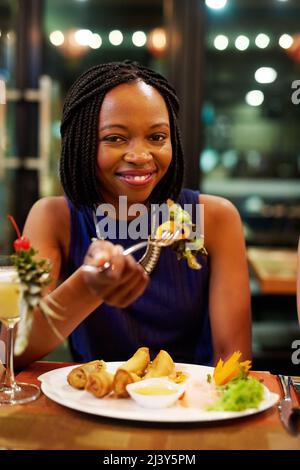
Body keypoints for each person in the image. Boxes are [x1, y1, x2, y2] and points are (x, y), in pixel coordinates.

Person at [15, 60, 251, 368]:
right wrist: (86, 286)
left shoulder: (213, 218)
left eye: (156, 137)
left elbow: (235, 360)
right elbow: (12, 350)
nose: (140, 156)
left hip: (191, 404)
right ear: (83, 143)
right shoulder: (53, 218)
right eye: (115, 138)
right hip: (93, 402)